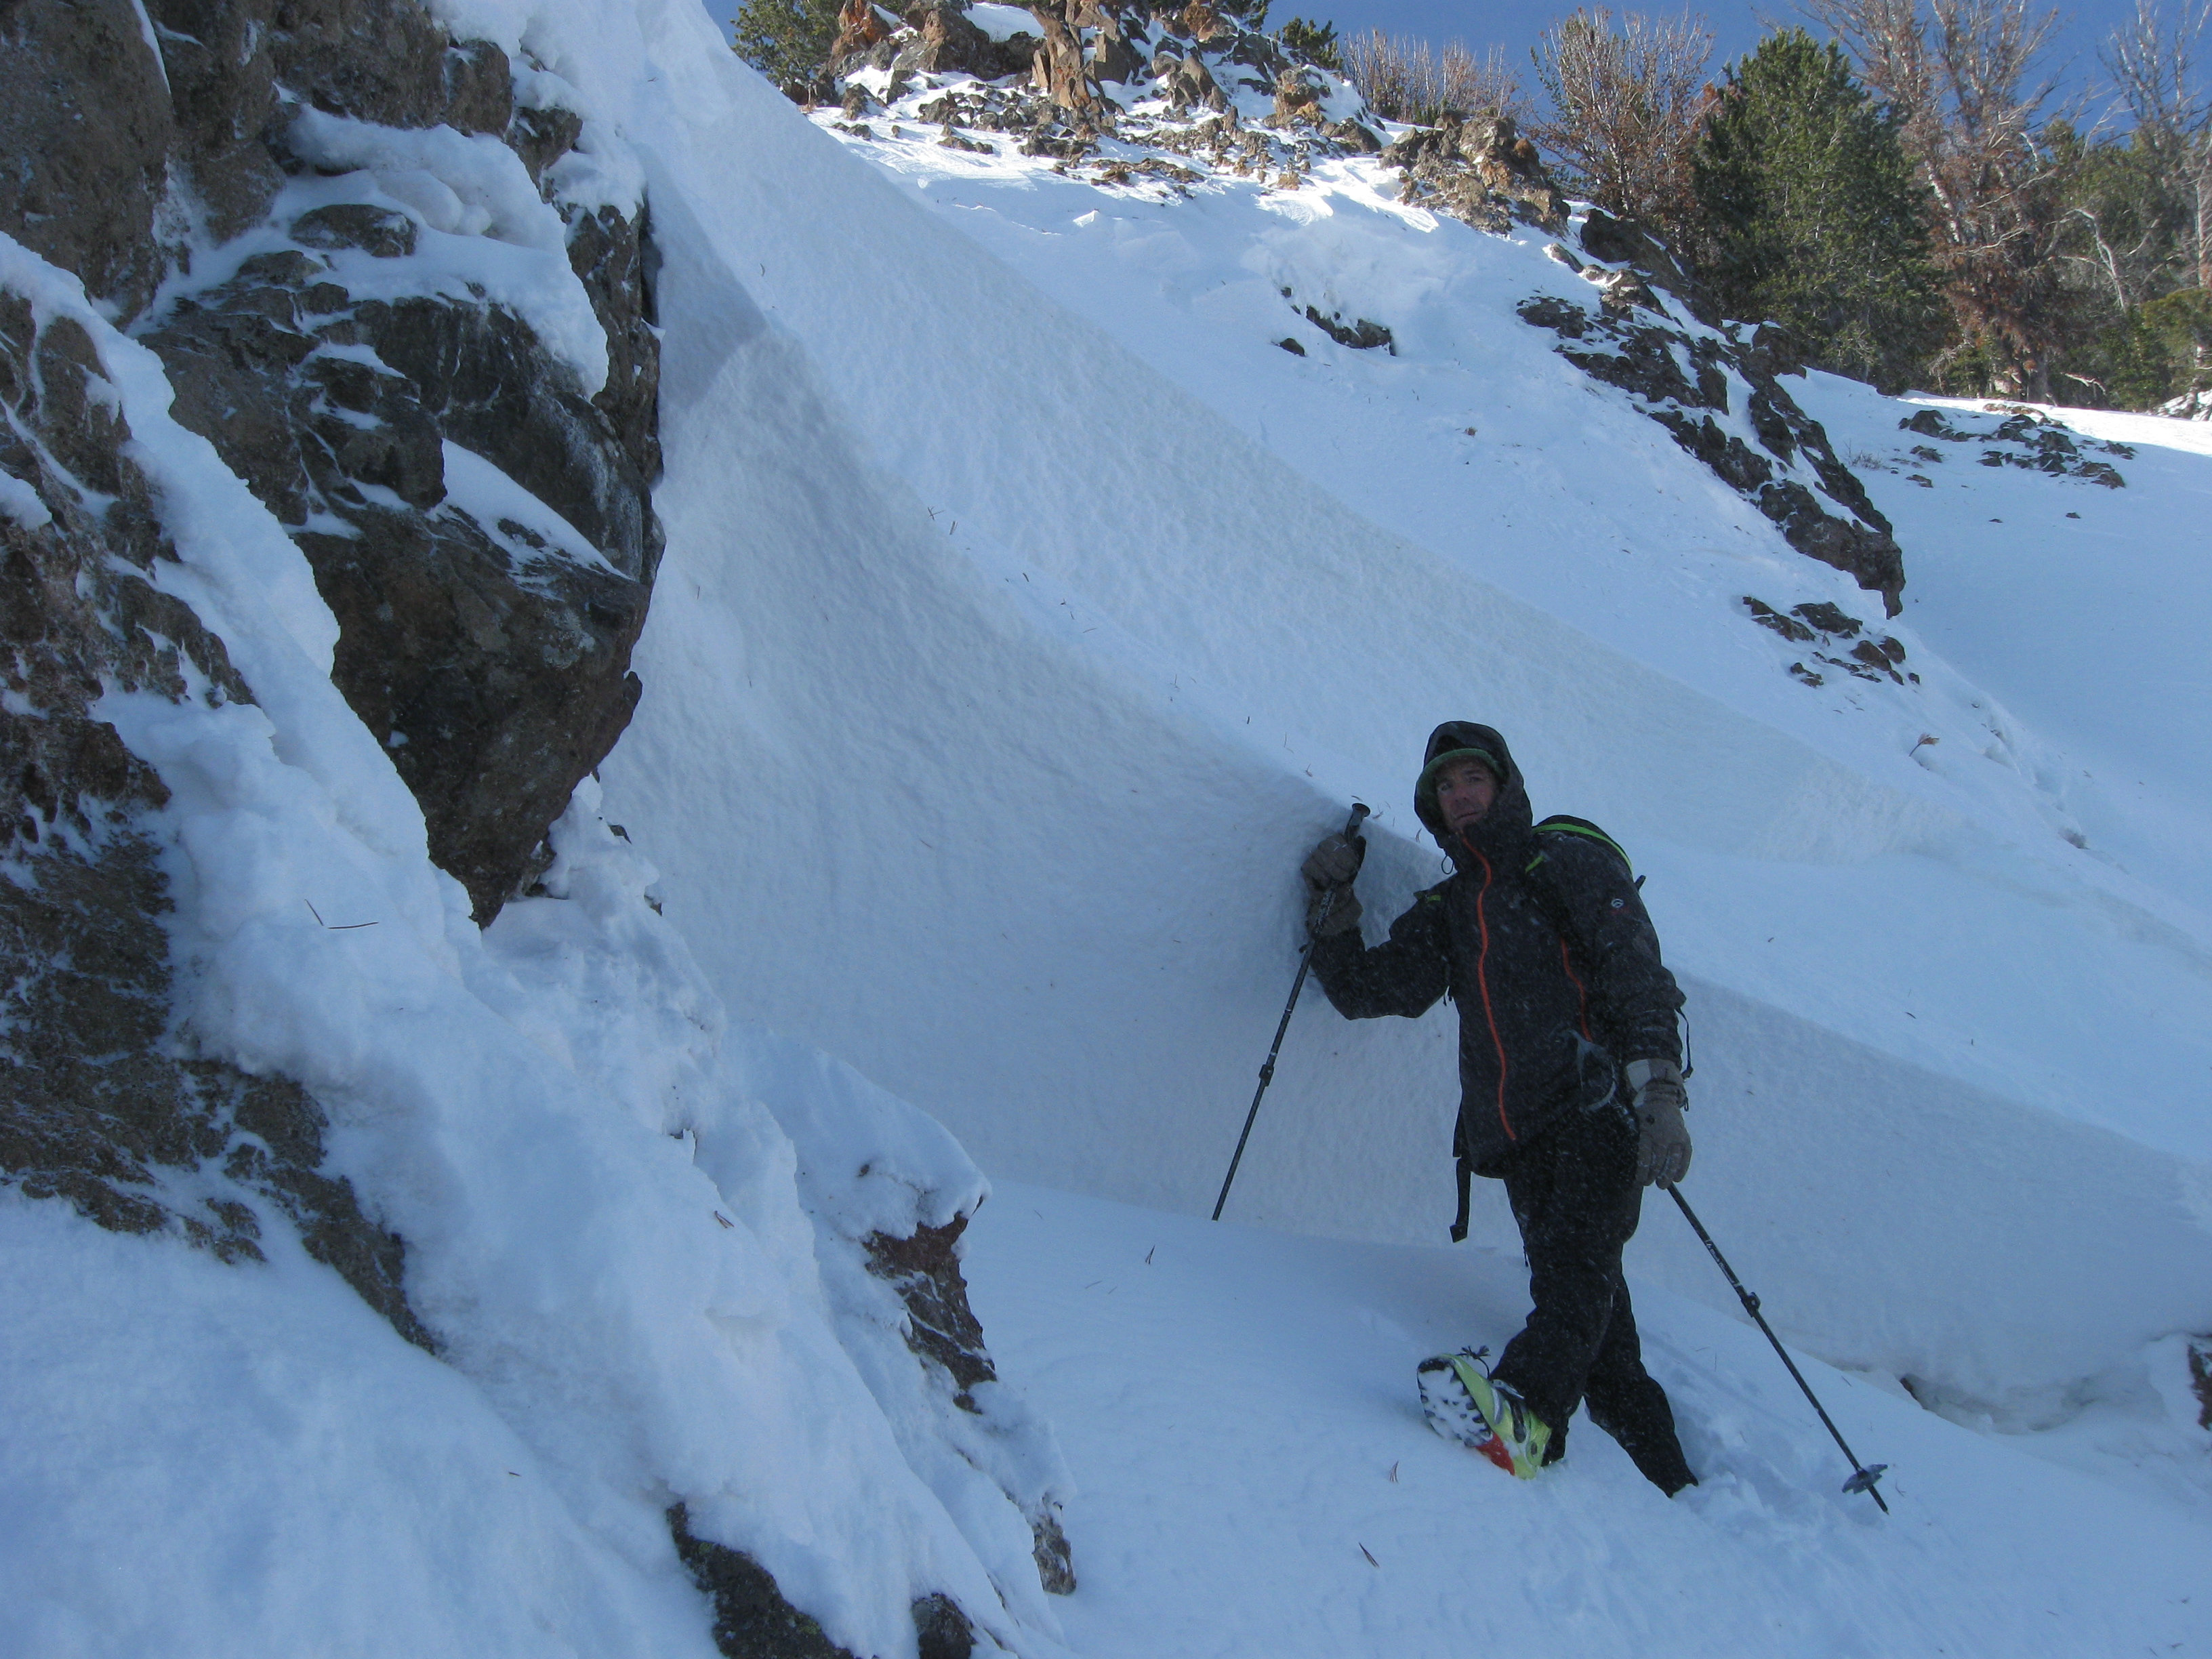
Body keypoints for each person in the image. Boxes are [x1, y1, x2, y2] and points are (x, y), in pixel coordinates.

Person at [1299, 721, 1697, 1496]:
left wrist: (1660, 1095)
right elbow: (1368, 990)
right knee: (1597, 1323)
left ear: (1505, 784)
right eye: (1445, 789)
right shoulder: (1453, 907)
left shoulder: (1567, 864)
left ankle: (1525, 1418)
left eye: (1473, 779)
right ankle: (1673, 1484)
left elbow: (1638, 977)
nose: (1461, 797)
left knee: (1575, 1282)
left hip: (1597, 1112)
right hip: (1517, 1138)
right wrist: (1331, 900)